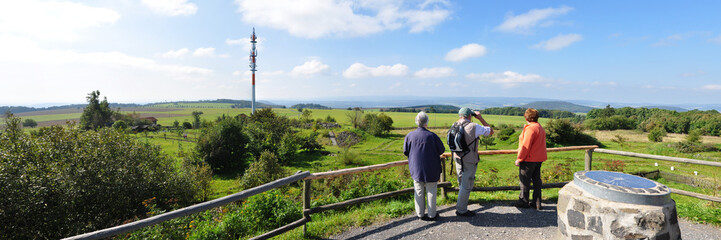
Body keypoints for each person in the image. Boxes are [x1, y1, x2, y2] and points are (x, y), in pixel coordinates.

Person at [403, 111, 446, 221]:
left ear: (417, 122)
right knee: (431, 191)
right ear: (426, 123)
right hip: (432, 168)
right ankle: (432, 214)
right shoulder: (432, 136)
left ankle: (420, 214)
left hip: (416, 168)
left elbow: (406, 151)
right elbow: (441, 150)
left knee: (418, 191)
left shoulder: (409, 136)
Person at [453, 107, 493, 217]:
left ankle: (461, 204)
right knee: (467, 184)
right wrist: (480, 118)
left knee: (461, 182)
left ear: (460, 115)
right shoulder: (474, 127)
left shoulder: (455, 124)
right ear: (470, 116)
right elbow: (490, 131)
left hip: (457, 157)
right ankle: (461, 210)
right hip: (469, 158)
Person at [514, 108, 547, 210]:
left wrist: (519, 158)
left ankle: (524, 201)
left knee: (524, 181)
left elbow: (526, 145)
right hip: (539, 158)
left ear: (527, 117)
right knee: (537, 181)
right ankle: (537, 203)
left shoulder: (530, 128)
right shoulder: (540, 127)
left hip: (529, 159)